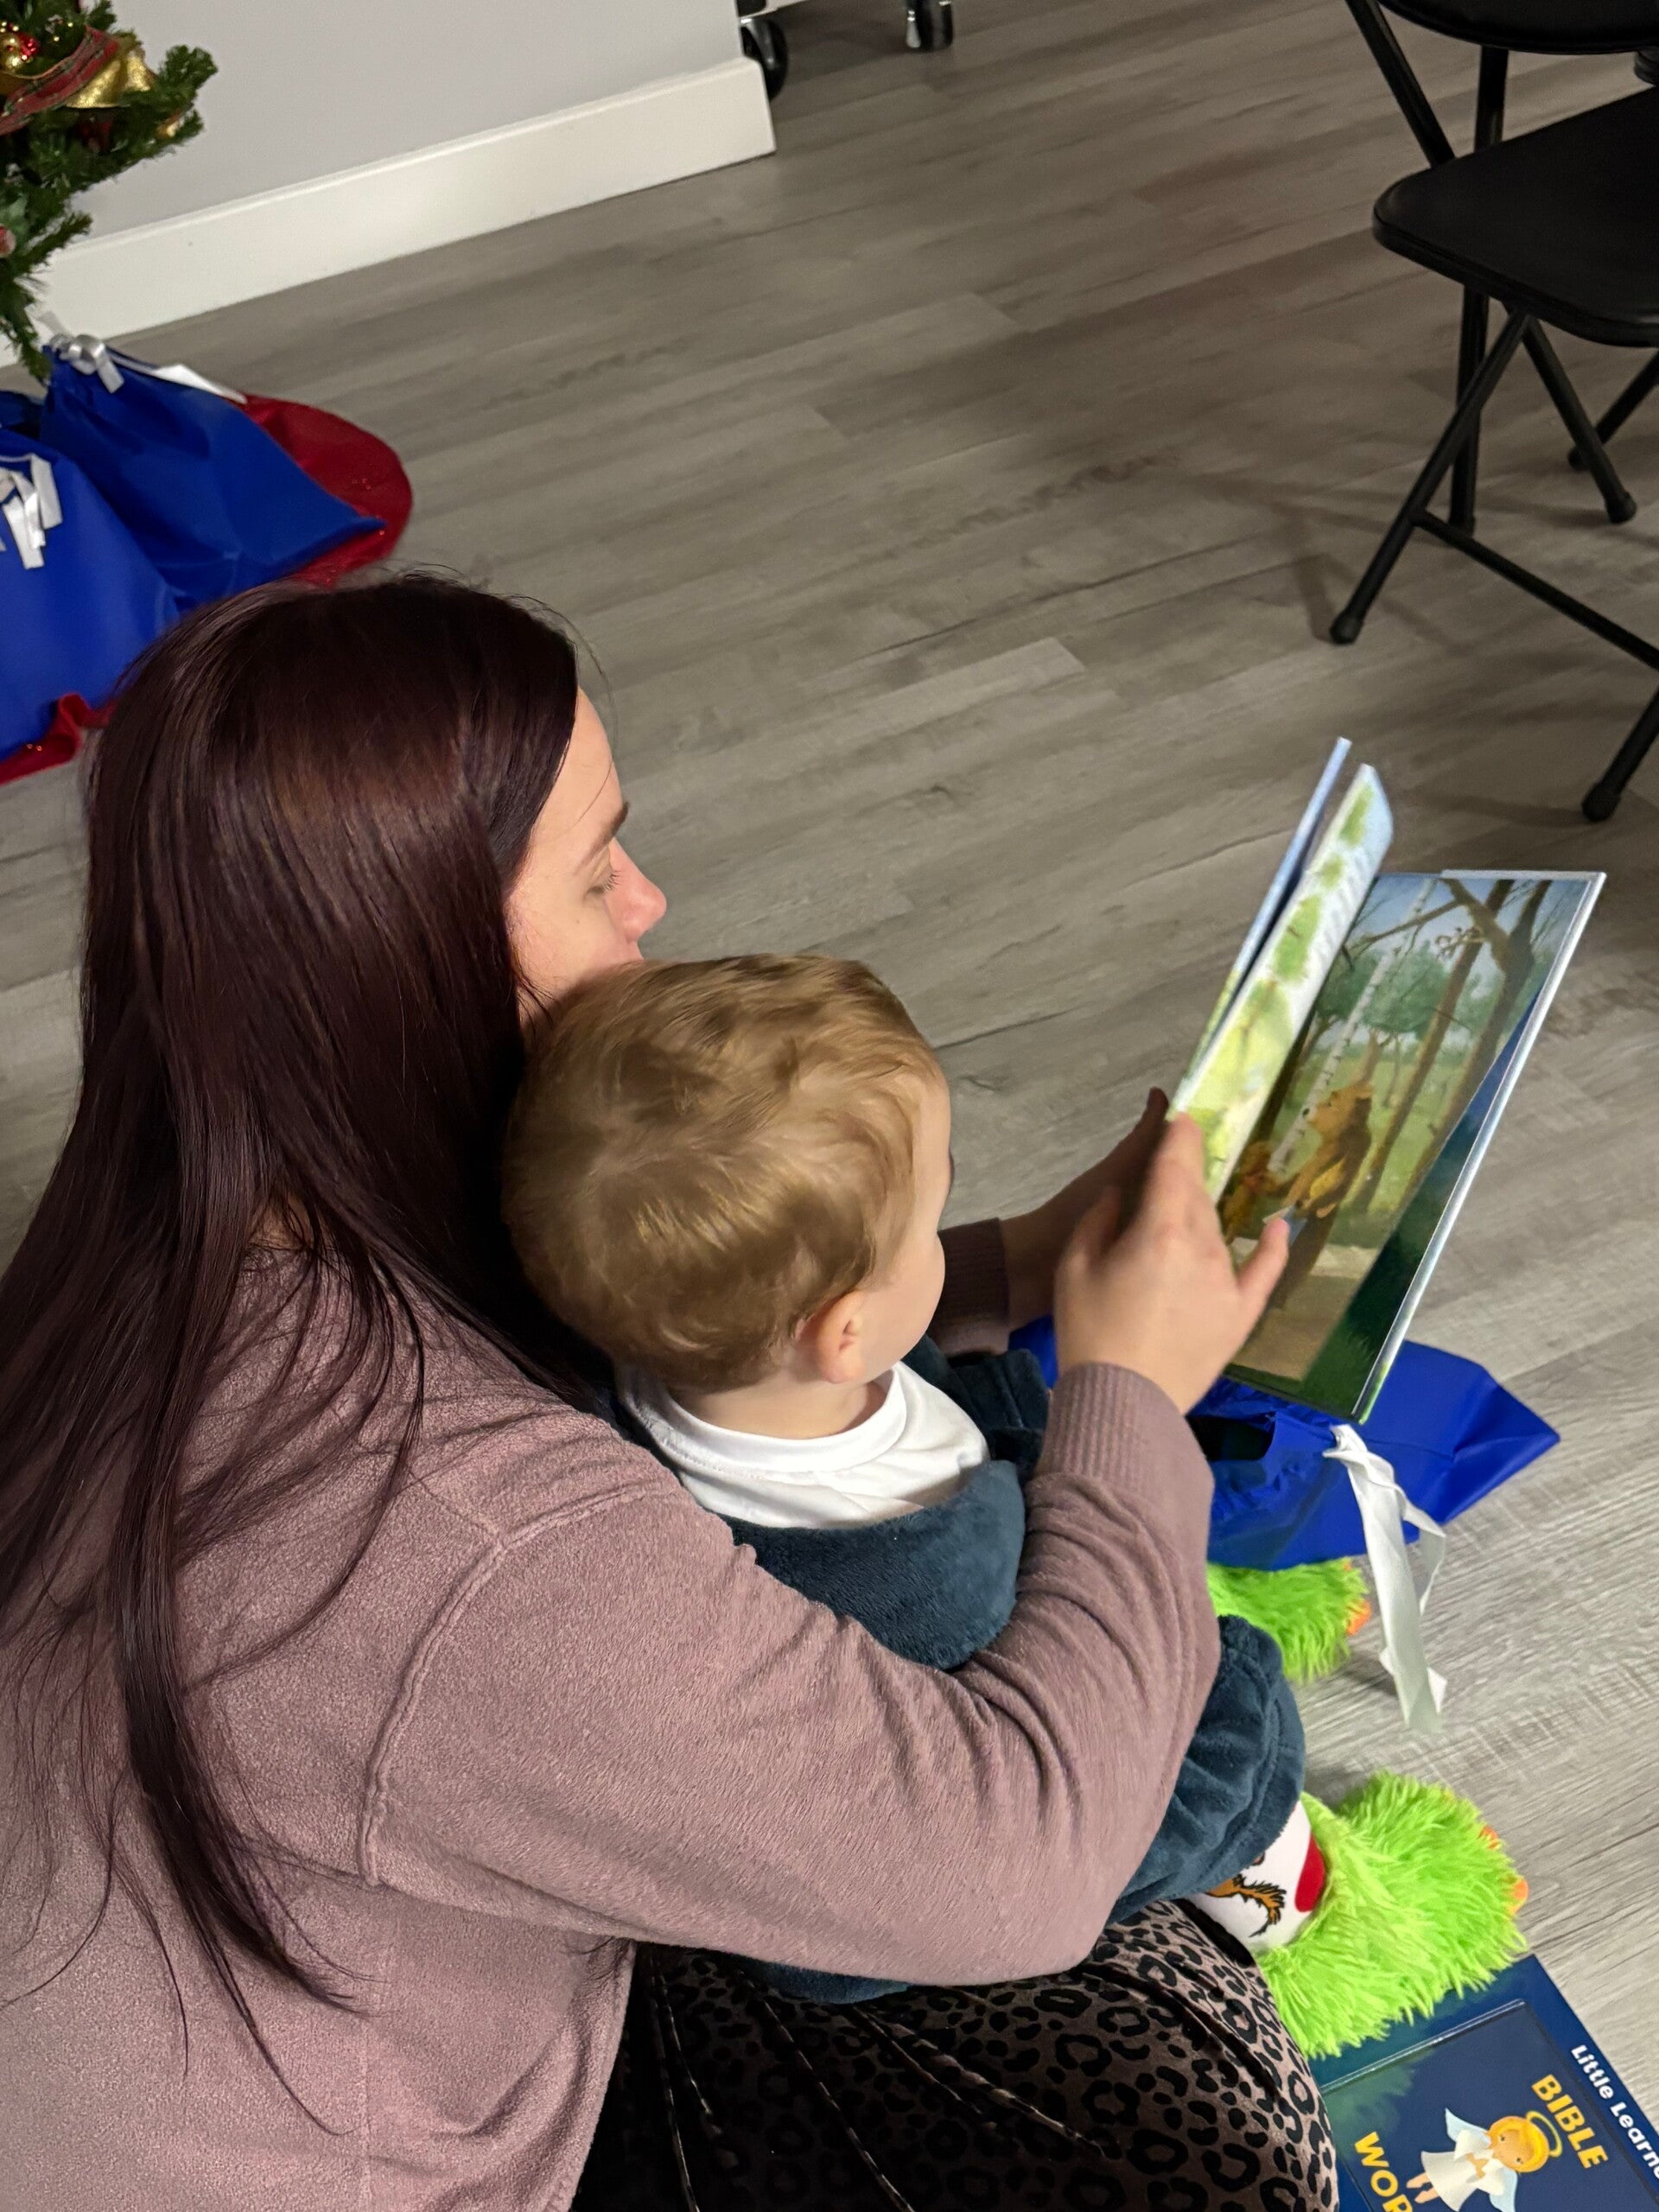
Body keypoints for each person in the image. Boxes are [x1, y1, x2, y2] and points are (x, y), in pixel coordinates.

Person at [0, 576, 1337, 2212]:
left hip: (265, 1989)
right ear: (407, 958)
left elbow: (687, 1331)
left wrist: (1009, 1267)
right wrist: (1128, 1392)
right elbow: (1020, 1871)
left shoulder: (201, 1189)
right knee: (1203, 2137)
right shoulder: (458, 1527)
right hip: (391, 2160)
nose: (650, 899)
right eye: (594, 871)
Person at [503, 949, 1325, 1991]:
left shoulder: (662, 1362)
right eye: (932, 1215)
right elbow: (1067, 1789)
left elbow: (897, 1335)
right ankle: (1257, 1883)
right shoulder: (919, 1569)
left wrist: (1037, 1246)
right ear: (845, 1330)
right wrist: (1135, 1391)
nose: (942, 1227)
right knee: (1239, 1713)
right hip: (1051, 1775)